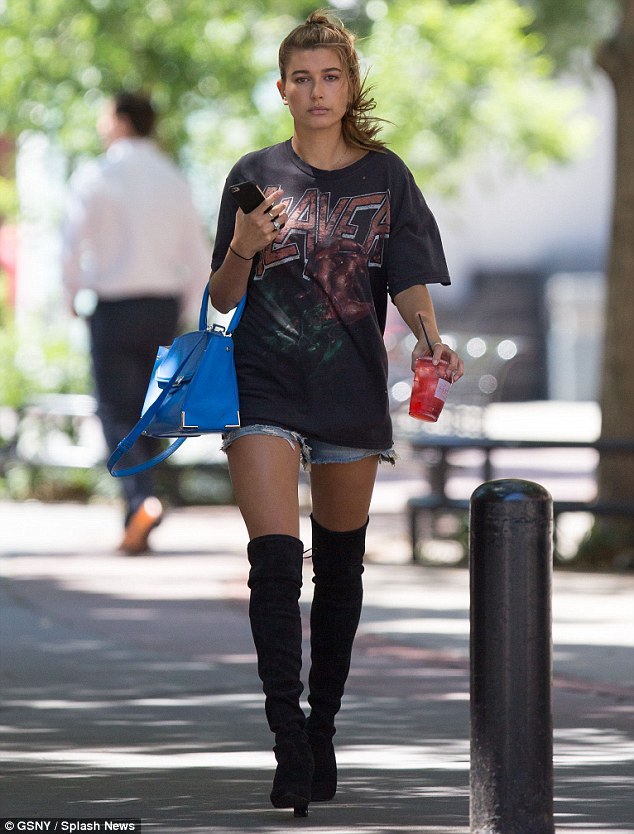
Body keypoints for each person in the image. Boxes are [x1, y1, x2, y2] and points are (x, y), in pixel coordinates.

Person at [209, 12, 465, 816]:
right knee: (275, 563)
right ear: (281, 89)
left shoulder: (386, 178)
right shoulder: (254, 173)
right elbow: (221, 300)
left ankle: (323, 730)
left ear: (350, 86)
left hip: (350, 388)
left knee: (341, 569)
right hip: (263, 383)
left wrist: (430, 341)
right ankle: (288, 738)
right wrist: (243, 244)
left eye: (330, 76)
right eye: (302, 78)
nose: (316, 91)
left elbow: (407, 279)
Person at [62, 91, 210, 554]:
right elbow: (198, 253)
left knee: (114, 410)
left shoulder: (95, 175)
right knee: (154, 407)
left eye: (106, 116)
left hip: (113, 309)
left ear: (122, 121)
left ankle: (140, 499)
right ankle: (140, 509)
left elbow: (71, 243)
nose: (102, 124)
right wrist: (187, 308)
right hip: (162, 308)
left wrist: (71, 296)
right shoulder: (174, 178)